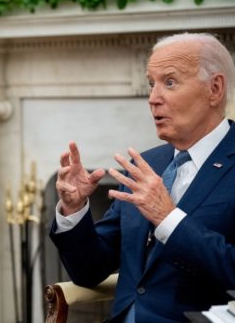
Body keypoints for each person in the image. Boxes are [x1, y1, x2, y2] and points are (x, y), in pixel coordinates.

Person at [50, 32, 235, 322]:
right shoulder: (148, 163)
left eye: (170, 82)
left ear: (215, 88)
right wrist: (73, 211)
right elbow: (89, 270)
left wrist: (167, 218)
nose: (153, 98)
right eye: (152, 84)